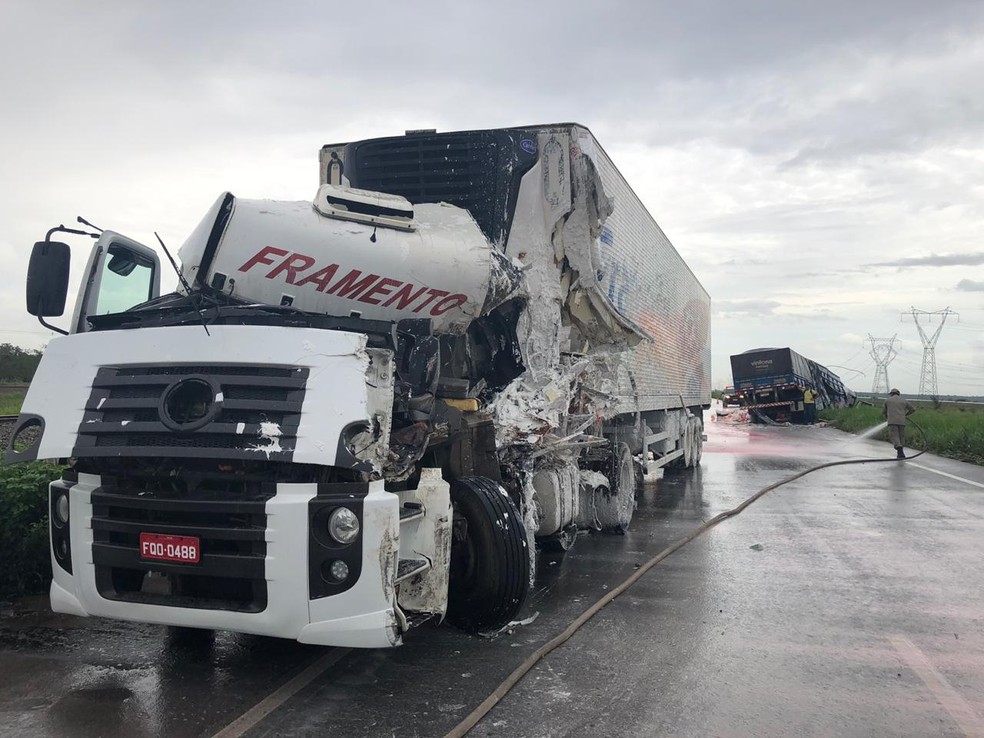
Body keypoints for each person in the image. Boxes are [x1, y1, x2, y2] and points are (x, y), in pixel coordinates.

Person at [882, 388, 915, 459]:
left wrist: (887, 417)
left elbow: (884, 412)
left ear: (891, 394)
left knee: (895, 436)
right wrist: (905, 415)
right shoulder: (904, 401)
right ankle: (900, 453)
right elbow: (912, 409)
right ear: (898, 394)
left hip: (892, 422)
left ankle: (900, 452)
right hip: (902, 422)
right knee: (901, 437)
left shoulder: (887, 401)